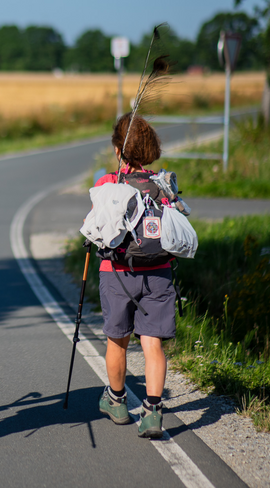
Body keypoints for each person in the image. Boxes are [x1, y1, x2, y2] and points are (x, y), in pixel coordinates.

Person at [95, 113, 175, 439]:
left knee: (118, 340)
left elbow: (96, 230)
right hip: (158, 272)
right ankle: (153, 413)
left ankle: (116, 402)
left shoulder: (108, 185)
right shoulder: (163, 184)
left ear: (119, 150)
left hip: (117, 272)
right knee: (152, 343)